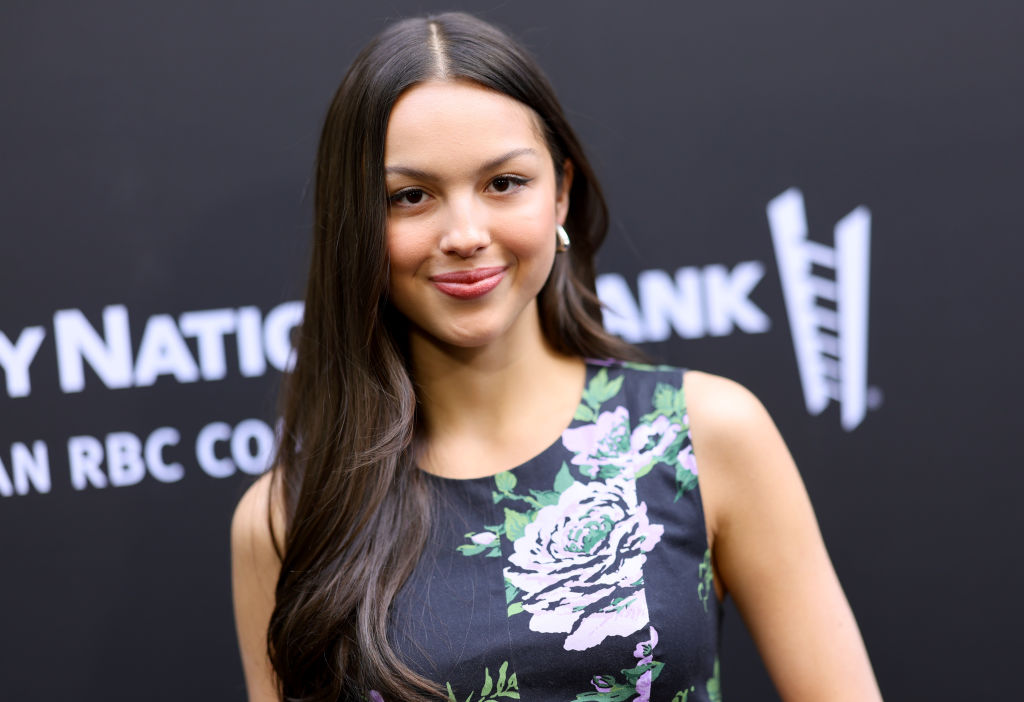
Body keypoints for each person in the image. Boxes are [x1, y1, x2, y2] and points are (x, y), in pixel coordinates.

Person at [231, 11, 883, 702]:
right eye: (410, 197)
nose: (465, 233)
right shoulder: (288, 518)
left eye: (503, 183)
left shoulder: (699, 433)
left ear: (561, 191)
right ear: (356, 223)